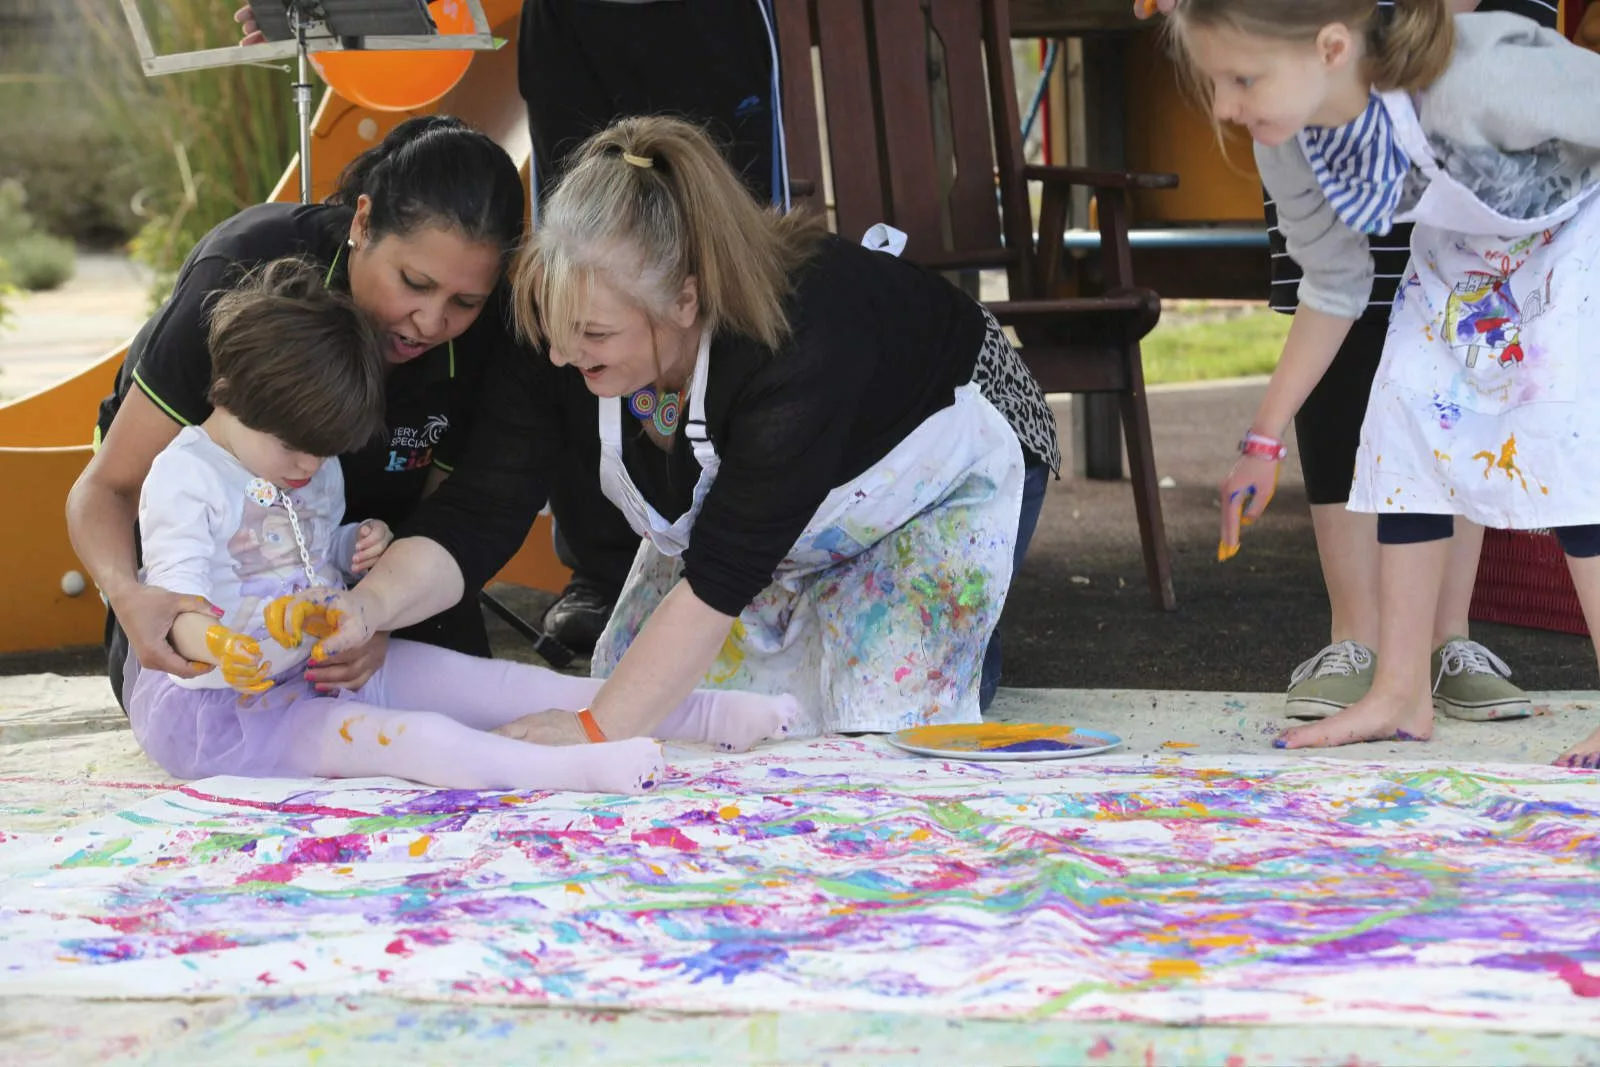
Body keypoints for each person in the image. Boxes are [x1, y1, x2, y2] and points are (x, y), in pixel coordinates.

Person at [270, 115, 1060, 743]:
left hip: (933, 467)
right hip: (765, 514)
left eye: (595, 335)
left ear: (687, 300)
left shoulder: (799, 341)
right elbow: (480, 509)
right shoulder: (562, 327)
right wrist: (368, 607)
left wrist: (594, 731)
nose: (562, 354)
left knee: (873, 719)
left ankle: (953, 636)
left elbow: (722, 573)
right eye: (556, 326)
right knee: (652, 694)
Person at [127, 257, 796, 791]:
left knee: (496, 683)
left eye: (322, 452)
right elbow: (173, 609)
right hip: (226, 709)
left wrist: (357, 544)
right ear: (229, 394)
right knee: (414, 740)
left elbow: (308, 548)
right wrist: (220, 645)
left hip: (321, 665)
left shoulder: (307, 462)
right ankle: (573, 771)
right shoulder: (186, 478)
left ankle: (705, 712)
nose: (307, 466)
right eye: (292, 449)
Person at [1169, 0, 1600, 754]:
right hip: (1466, 245)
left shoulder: (1479, 77)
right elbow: (1335, 285)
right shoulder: (1290, 141)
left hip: (1576, 235)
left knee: (1565, 445)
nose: (1225, 108)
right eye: (1216, 83)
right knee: (1404, 426)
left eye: (1242, 79)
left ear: (1331, 49)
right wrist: (1263, 438)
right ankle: (1400, 692)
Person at [68, 116, 526, 708]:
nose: (432, 322)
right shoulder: (244, 269)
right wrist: (129, 594)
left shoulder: (492, 336)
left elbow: (445, 516)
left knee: (463, 711)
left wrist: (379, 613)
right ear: (362, 222)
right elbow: (109, 486)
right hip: (213, 578)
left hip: (366, 565)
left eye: (465, 302)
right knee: (225, 713)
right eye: (414, 282)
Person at [517, 0, 788, 653]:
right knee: (579, 278)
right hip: (575, 16)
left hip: (705, 17)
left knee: (730, 252)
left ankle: (747, 541)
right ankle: (603, 564)